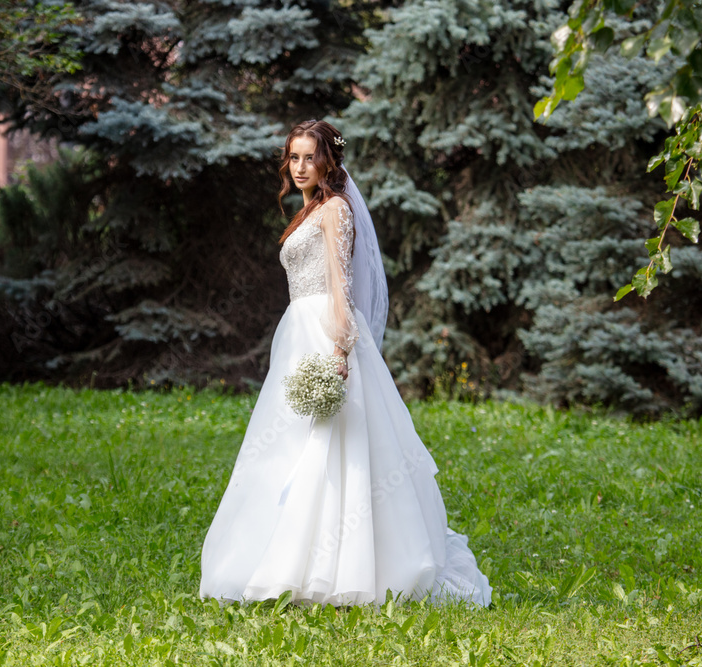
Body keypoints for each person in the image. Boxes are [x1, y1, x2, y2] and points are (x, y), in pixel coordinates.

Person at [199, 119, 492, 607]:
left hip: (323, 333)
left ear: (328, 161)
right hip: (297, 335)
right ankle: (281, 555)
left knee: (335, 448)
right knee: (290, 446)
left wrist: (338, 350)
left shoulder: (335, 209)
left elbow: (342, 284)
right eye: (293, 157)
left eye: (309, 157)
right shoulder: (310, 208)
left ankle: (337, 568)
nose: (299, 167)